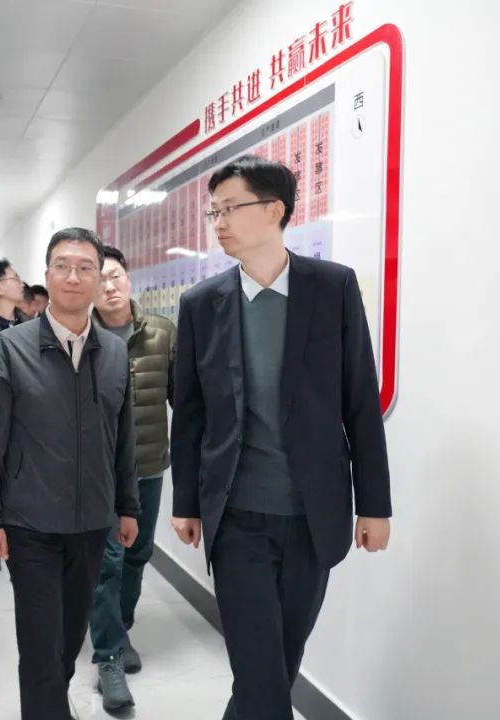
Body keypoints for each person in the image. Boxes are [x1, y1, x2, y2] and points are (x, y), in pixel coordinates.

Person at [170, 156, 392, 720]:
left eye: (230, 208)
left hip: (312, 514)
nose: (218, 222)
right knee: (259, 671)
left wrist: (375, 505)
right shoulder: (201, 304)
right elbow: (190, 413)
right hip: (236, 514)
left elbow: (359, 402)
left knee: (279, 664)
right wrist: (186, 503)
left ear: (275, 210)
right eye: (214, 211)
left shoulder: (332, 287)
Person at [0, 227, 140, 720]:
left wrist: (127, 506)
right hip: (31, 523)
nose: (73, 277)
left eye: (85, 267)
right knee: (41, 647)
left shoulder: (114, 352)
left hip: (91, 524)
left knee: (68, 641)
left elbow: (123, 438)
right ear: (45, 275)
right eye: (62, 266)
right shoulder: (12, 348)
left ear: (98, 278)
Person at [87, 245, 175, 712]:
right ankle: (108, 657)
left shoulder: (161, 333)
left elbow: (185, 399)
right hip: (99, 472)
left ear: (129, 277)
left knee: (137, 554)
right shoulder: (81, 336)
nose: (109, 286)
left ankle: (119, 628)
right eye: (99, 279)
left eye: (115, 275)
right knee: (108, 560)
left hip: (148, 466)